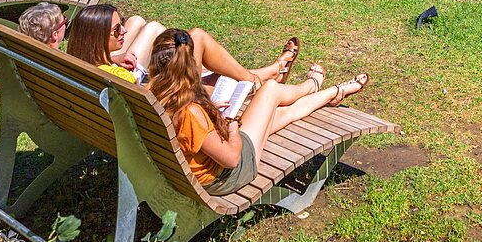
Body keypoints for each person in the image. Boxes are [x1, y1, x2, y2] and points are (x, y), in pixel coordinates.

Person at [148, 28, 368, 194]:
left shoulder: (152, 94)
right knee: (270, 90)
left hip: (193, 168)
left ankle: (332, 93)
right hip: (225, 176)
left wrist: (210, 112)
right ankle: (310, 86)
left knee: (279, 115)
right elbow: (232, 159)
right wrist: (232, 125)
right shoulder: (190, 112)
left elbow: (192, 134)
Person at [65, 4, 299, 87]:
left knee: (210, 71)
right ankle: (259, 80)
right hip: (170, 96)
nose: (123, 31)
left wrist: (114, 58)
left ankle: (269, 73)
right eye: (117, 29)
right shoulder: (120, 79)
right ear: (96, 38)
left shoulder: (77, 60)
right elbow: (155, 92)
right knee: (197, 37)